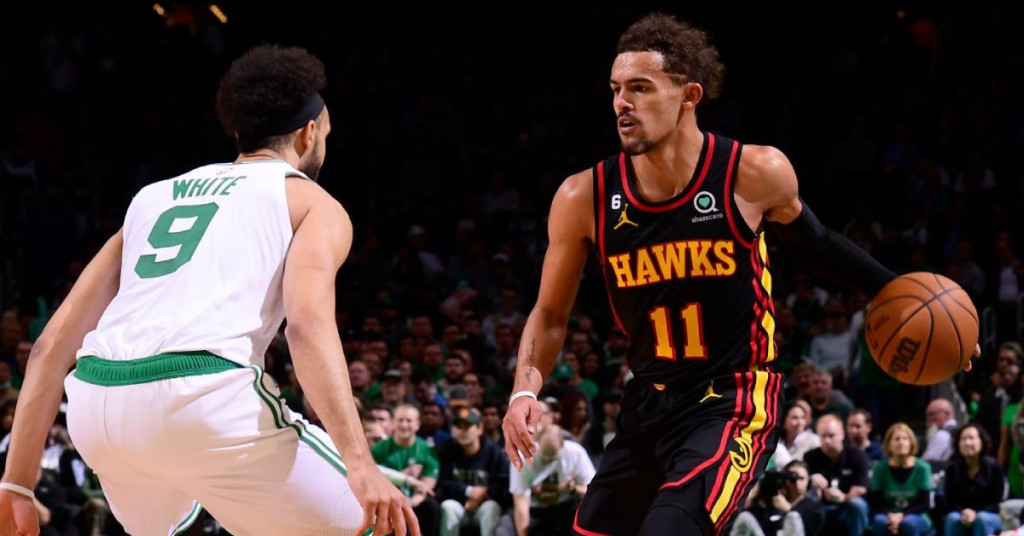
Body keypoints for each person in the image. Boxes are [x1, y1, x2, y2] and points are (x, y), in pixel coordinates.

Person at [501, 11, 974, 536]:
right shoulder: (583, 197)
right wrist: (524, 392)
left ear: (689, 96)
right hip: (649, 400)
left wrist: (904, 295)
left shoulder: (753, 173)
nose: (621, 103)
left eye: (640, 87)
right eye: (616, 89)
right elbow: (550, 313)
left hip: (735, 400)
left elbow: (818, 245)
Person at [0, 44, 418, 536]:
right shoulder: (311, 202)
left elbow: (51, 344)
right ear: (310, 133)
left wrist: (16, 483)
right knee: (381, 522)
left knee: (181, 521)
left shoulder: (152, 198)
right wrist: (361, 465)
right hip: (203, 399)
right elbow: (306, 327)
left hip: (97, 406)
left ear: (240, 132)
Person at [509, 424, 596, 536]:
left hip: (566, 508)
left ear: (562, 446)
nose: (547, 459)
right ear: (537, 443)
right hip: (535, 511)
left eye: (552, 455)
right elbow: (521, 503)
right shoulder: (523, 459)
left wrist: (573, 488)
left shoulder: (576, 453)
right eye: (544, 455)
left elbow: (592, 491)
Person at [437, 407, 510, 536]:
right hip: (460, 506)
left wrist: (483, 495)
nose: (463, 431)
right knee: (448, 506)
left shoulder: (493, 452)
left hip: (483, 507)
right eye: (459, 427)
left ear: (479, 429)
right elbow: (442, 481)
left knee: (491, 507)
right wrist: (468, 491)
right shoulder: (448, 450)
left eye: (467, 427)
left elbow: (503, 481)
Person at [804, 414, 871, 536]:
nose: (827, 441)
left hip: (847, 506)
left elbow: (861, 488)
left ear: (842, 435)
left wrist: (844, 497)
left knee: (857, 504)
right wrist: (810, 480)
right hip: (822, 506)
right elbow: (801, 487)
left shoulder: (857, 455)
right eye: (823, 436)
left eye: (831, 436)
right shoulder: (810, 457)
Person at [867, 422, 934, 536]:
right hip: (887, 514)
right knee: (880, 522)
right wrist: (891, 516)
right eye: (897, 439)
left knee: (908, 524)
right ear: (888, 444)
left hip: (916, 515)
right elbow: (877, 502)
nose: (901, 442)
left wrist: (902, 516)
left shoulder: (923, 468)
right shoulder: (880, 468)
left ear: (911, 443)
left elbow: (924, 503)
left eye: (905, 439)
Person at [941, 423, 1006, 536]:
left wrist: (976, 513)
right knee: (952, 518)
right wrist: (964, 512)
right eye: (963, 439)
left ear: (981, 441)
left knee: (982, 519)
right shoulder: (952, 469)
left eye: (971, 438)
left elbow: (997, 501)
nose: (967, 443)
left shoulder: (994, 467)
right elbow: (949, 501)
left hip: (989, 514)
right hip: (962, 514)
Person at [731, 460, 824, 536]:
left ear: (808, 482)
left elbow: (806, 531)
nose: (796, 482)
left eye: (801, 478)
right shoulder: (770, 502)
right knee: (745, 517)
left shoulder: (814, 508)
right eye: (792, 477)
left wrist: (788, 510)